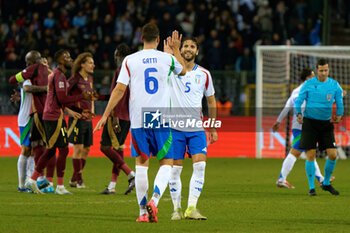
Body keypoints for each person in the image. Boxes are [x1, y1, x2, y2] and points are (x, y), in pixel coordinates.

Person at [94, 23, 186, 223]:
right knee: (166, 163)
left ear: (141, 37)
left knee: (142, 164)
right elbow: (183, 72)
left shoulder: (130, 60)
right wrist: (176, 50)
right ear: (159, 38)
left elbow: (119, 90)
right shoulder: (168, 58)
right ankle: (154, 200)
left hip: (138, 119)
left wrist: (104, 114)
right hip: (161, 116)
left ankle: (143, 213)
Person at [165, 37, 218, 220]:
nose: (188, 49)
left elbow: (211, 100)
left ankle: (191, 208)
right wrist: (171, 52)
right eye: (185, 45)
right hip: (174, 127)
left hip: (196, 128)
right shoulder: (171, 70)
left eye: (192, 46)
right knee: (175, 170)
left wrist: (212, 126)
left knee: (201, 166)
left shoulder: (204, 74)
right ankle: (176, 209)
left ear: (197, 51)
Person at [25, 49, 91, 195]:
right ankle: (59, 186)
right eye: (66, 57)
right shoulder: (58, 76)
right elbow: (62, 99)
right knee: (63, 149)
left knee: (50, 150)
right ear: (60, 60)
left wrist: (79, 111)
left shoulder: (60, 75)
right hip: (53, 117)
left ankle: (32, 180)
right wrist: (81, 97)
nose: (70, 58)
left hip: (54, 115)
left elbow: (62, 100)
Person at [272, 68, 330, 188]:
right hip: (305, 127)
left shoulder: (295, 91)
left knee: (310, 153)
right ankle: (281, 179)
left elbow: (287, 106)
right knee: (295, 152)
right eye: (313, 76)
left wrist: (278, 121)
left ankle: (321, 179)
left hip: (297, 127)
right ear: (308, 78)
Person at [295, 59, 343, 196]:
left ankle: (326, 183)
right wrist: (299, 113)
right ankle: (311, 188)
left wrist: (339, 114)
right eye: (321, 70)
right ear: (316, 70)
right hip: (310, 123)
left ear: (329, 70)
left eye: (326, 70)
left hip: (326, 124)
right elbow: (299, 101)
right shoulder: (308, 84)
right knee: (311, 155)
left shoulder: (334, 85)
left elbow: (339, 101)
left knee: (333, 155)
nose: (323, 73)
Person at [9, 51, 56, 192]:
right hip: (26, 117)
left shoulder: (41, 74)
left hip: (36, 115)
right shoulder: (28, 76)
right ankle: (22, 185)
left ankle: (31, 180)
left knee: (35, 149)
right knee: (26, 150)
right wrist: (45, 89)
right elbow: (27, 87)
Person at [99, 43, 135, 195]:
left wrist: (112, 116)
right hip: (128, 116)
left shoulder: (121, 70)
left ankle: (131, 174)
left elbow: (118, 93)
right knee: (118, 149)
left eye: (115, 53)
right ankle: (112, 186)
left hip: (117, 115)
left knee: (105, 147)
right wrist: (100, 97)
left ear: (119, 54)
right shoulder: (133, 71)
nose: (114, 56)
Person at [66, 52, 96, 189]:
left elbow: (91, 97)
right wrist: (70, 111)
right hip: (77, 119)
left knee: (86, 149)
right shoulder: (73, 80)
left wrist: (93, 108)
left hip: (87, 120)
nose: (93, 65)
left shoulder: (90, 79)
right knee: (77, 149)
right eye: (90, 62)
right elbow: (62, 96)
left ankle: (73, 179)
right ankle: (79, 181)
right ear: (82, 64)